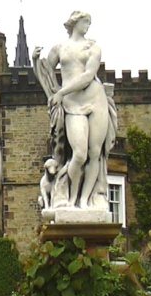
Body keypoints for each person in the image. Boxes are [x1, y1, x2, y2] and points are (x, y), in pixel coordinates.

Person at [32, 11, 117, 210]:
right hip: (72, 104)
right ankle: (69, 196)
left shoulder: (93, 47)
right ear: (75, 22)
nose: (88, 25)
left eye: (89, 22)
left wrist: (62, 92)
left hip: (95, 100)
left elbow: (88, 76)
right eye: (85, 22)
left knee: (94, 152)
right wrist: (35, 60)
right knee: (79, 154)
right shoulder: (60, 48)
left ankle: (86, 200)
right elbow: (45, 72)